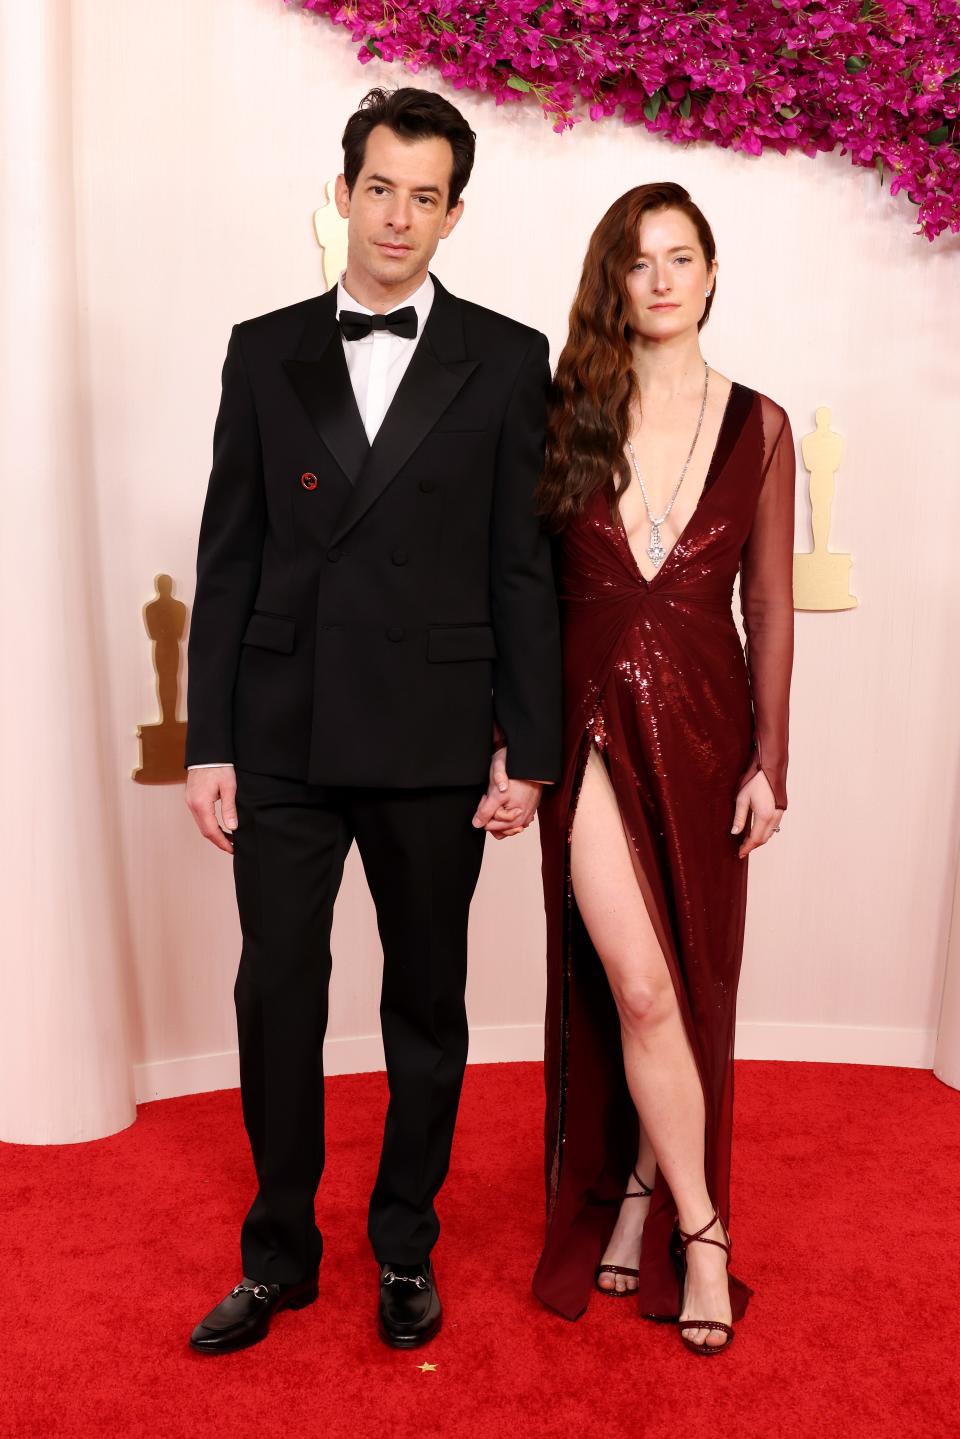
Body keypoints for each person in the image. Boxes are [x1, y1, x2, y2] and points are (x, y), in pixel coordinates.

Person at [184, 86, 561, 1354]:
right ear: (342, 191)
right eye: (380, 187)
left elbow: (523, 565)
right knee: (276, 995)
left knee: (428, 1004)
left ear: (455, 214)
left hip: (435, 733)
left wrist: (531, 743)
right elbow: (227, 557)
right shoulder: (261, 347)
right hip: (282, 732)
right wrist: (209, 741)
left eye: (426, 196)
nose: (398, 217)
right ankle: (279, 1251)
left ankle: (406, 1245)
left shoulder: (508, 360)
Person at [531, 183, 795, 1354]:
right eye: (639, 263)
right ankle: (706, 1231)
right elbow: (523, 588)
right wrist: (512, 736)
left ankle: (641, 1187)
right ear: (614, 281)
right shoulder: (564, 412)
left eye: (681, 257)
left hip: (704, 730)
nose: (662, 280)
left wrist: (770, 760)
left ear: (713, 270)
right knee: (636, 983)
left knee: (685, 980)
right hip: (582, 720)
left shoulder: (763, 424)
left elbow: (772, 608)